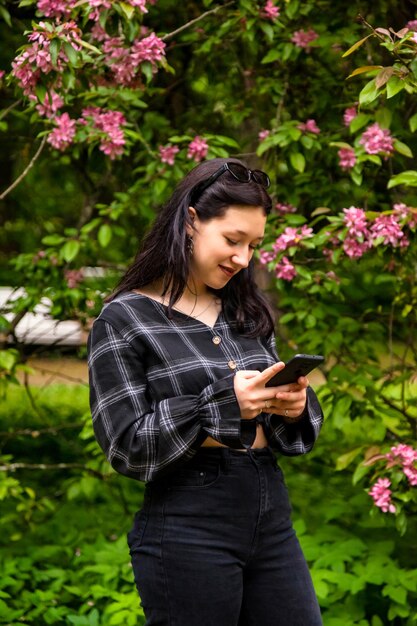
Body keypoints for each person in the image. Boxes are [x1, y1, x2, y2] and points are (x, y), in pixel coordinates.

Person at [87, 157, 324, 626]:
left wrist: (292, 406)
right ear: (192, 220)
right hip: (188, 523)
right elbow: (126, 446)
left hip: (269, 512)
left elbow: (275, 415)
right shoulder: (124, 319)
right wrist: (221, 405)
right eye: (232, 240)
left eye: (253, 245)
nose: (243, 258)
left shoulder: (244, 311)